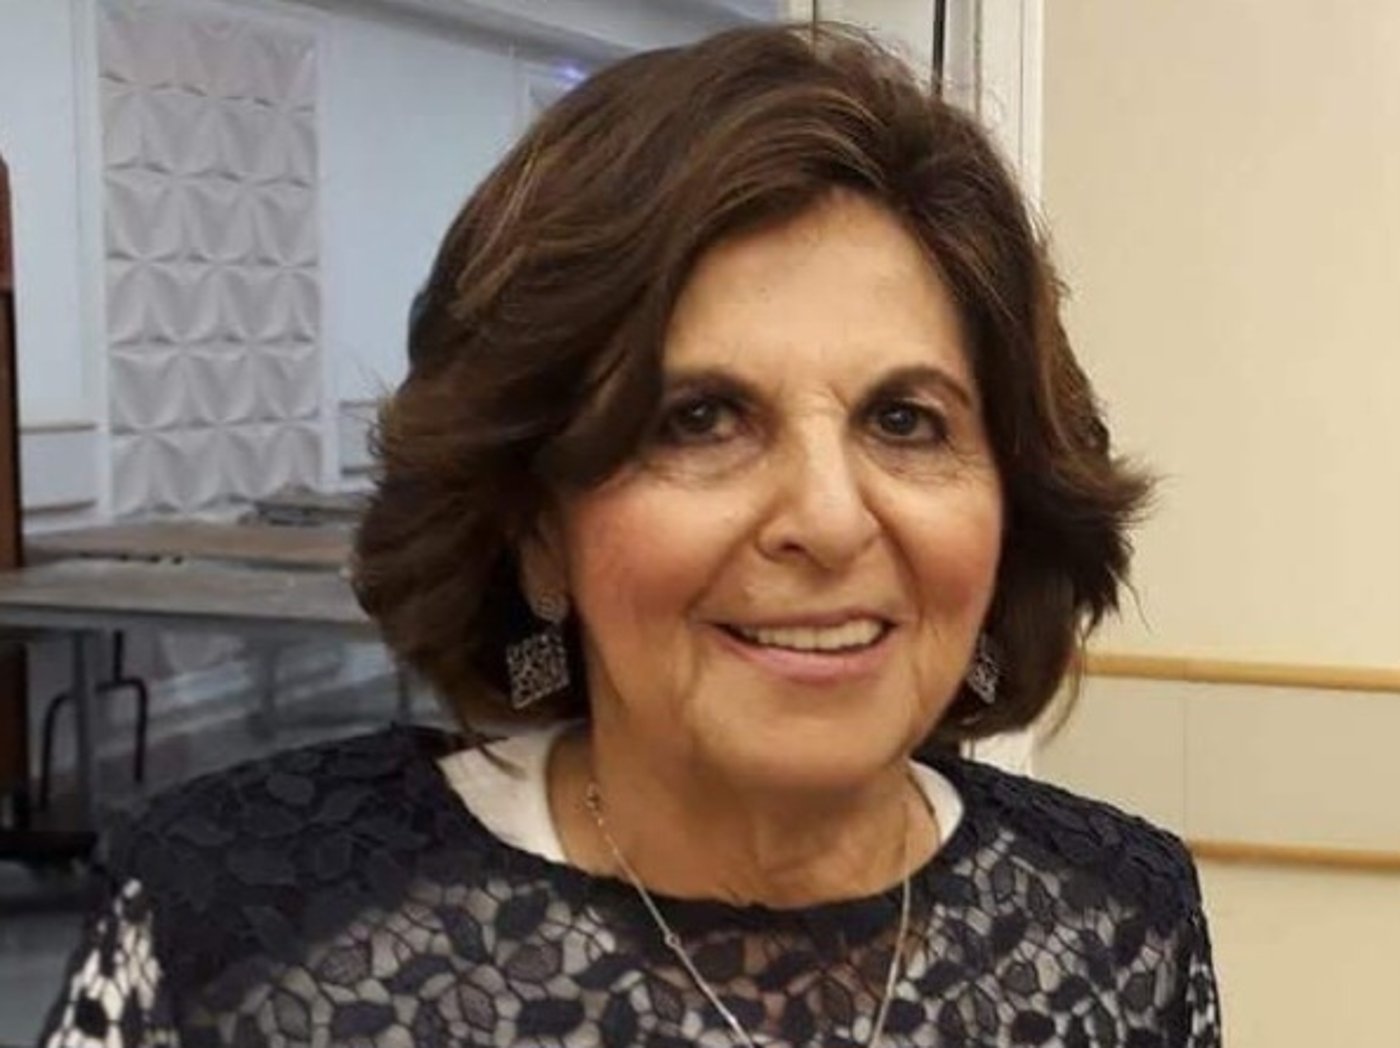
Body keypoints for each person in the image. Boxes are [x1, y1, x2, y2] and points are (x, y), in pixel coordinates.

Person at [40, 24, 1222, 1048]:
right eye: (699, 418)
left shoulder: (1116, 923)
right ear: (536, 526)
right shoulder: (243, 930)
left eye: (904, 420)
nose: (825, 517)